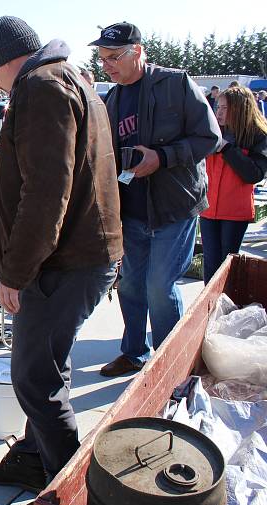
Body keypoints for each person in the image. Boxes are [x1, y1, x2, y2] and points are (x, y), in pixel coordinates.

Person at [0, 17, 123, 505]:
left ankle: (69, 500)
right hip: (80, 255)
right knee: (47, 365)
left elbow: (47, 191)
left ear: (0, 63)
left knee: (35, 376)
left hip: (66, 261)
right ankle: (37, 456)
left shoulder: (39, 87)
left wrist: (13, 271)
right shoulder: (70, 77)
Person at [90, 22, 221, 378]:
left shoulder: (175, 84)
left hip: (173, 208)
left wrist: (161, 158)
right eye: (102, 59)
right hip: (132, 212)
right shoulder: (112, 99)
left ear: (139, 51)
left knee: (159, 287)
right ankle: (134, 353)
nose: (107, 65)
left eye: (114, 56)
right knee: (131, 284)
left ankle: (169, 365)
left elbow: (210, 137)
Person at [200, 86, 267, 282]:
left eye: (223, 108)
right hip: (208, 209)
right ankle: (209, 308)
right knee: (210, 263)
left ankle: (227, 307)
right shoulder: (212, 132)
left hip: (235, 213)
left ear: (239, 109)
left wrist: (227, 149)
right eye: (217, 107)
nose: (217, 112)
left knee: (228, 266)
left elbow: (254, 174)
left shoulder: (257, 136)